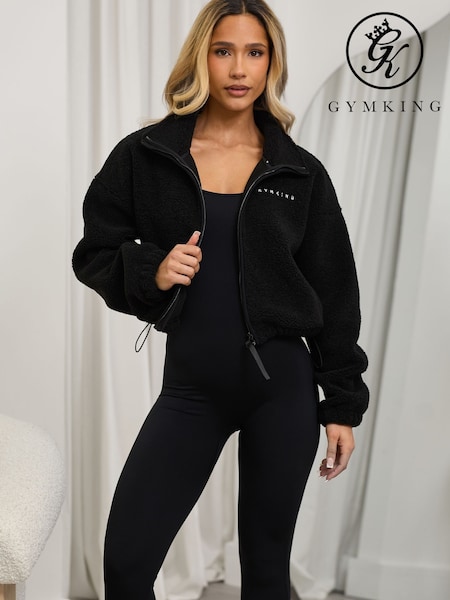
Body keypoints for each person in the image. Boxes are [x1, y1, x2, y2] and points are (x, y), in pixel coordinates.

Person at [72, 0, 369, 598]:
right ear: (200, 59)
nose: (239, 68)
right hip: (191, 390)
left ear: (271, 63)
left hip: (282, 391)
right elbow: (94, 252)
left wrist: (341, 402)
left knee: (265, 574)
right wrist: (152, 270)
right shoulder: (148, 155)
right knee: (126, 564)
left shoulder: (299, 173)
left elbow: (336, 291)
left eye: (255, 53)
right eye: (223, 51)